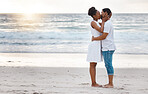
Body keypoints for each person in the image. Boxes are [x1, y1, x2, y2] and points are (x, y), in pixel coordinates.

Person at [92, 8, 116, 88]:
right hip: (107, 47)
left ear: (105, 13)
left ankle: (110, 83)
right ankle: (110, 83)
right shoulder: (106, 22)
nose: (101, 13)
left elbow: (104, 36)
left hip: (108, 47)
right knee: (108, 65)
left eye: (102, 12)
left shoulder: (107, 23)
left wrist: (94, 38)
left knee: (108, 65)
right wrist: (106, 17)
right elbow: (99, 25)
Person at [87, 7, 107, 87]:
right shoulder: (93, 23)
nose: (100, 15)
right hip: (94, 45)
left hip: (97, 44)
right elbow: (101, 30)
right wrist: (103, 21)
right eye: (99, 14)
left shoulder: (97, 22)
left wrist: (104, 21)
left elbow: (104, 27)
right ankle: (93, 83)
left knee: (94, 64)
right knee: (92, 64)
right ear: (94, 15)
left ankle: (94, 82)